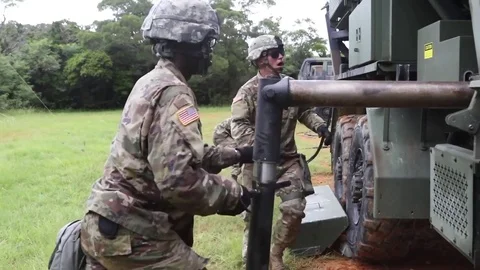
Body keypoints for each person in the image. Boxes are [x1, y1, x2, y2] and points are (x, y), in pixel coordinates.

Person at [79, 1, 254, 269]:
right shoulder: (175, 93)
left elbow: (177, 154)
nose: (209, 52)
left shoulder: (151, 81)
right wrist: (236, 194)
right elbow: (179, 182)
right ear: (190, 41)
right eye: (207, 42)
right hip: (133, 230)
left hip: (109, 222)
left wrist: (237, 153)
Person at [230, 34, 332, 269]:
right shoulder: (247, 91)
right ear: (261, 59)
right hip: (256, 162)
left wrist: (321, 126)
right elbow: (238, 125)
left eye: (281, 52)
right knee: (252, 215)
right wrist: (259, 149)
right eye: (275, 53)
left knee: (294, 209)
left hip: (287, 160)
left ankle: (275, 254)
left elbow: (305, 112)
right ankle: (252, 256)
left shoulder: (290, 86)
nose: (281, 57)